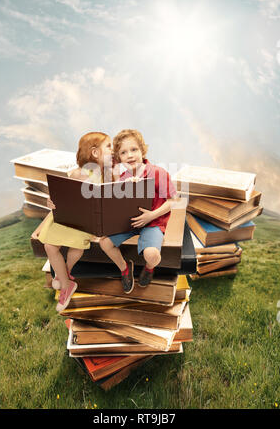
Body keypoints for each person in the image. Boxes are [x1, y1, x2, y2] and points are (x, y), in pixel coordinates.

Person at [38, 132, 113, 312]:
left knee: (77, 246)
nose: (113, 149)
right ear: (95, 153)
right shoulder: (77, 173)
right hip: (70, 216)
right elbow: (62, 194)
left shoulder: (108, 174)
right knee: (49, 246)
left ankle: (64, 279)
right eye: (109, 146)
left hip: (86, 221)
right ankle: (67, 281)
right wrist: (52, 200)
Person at [99, 129, 178, 294]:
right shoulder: (122, 178)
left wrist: (151, 215)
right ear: (119, 158)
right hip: (131, 222)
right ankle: (125, 268)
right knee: (104, 242)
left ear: (142, 150)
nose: (129, 155)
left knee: (153, 255)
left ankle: (149, 268)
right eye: (123, 152)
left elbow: (172, 201)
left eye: (134, 149)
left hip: (153, 221)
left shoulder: (158, 173)